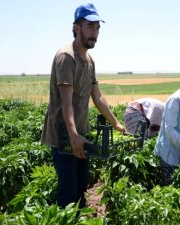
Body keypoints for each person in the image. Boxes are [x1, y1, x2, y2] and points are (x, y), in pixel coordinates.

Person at [41, 3, 125, 208]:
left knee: (81, 188)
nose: (94, 33)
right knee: (68, 193)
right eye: (90, 26)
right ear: (76, 28)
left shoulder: (89, 60)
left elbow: (98, 97)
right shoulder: (66, 57)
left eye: (97, 28)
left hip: (81, 134)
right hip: (64, 136)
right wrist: (73, 136)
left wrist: (116, 123)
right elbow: (66, 102)